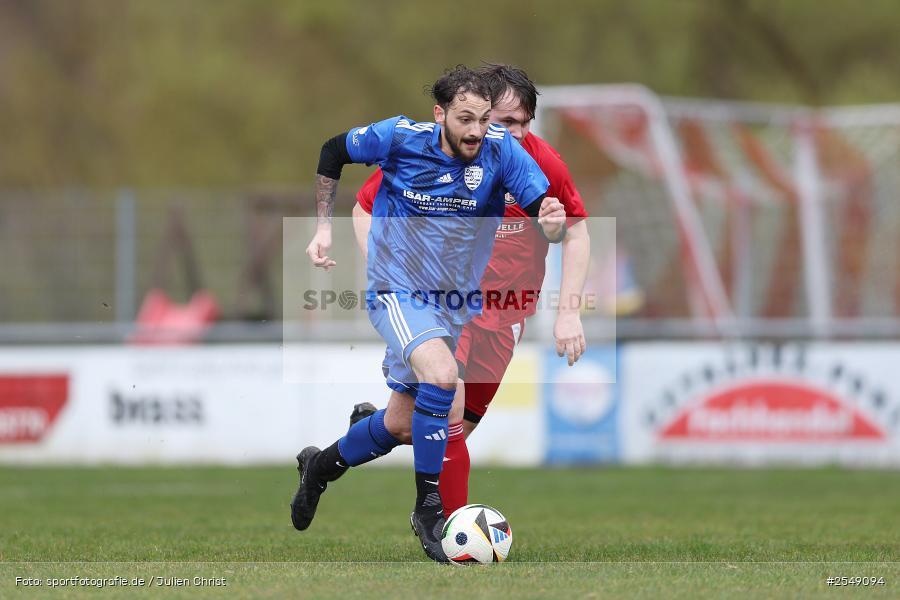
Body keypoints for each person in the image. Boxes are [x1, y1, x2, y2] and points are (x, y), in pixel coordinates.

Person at [293, 65, 567, 563]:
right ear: (440, 114)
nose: (476, 131)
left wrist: (550, 222)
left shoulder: (502, 151)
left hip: (454, 305)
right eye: (466, 118)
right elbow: (333, 151)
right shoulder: (400, 138)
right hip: (398, 292)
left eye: (485, 120)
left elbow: (541, 212)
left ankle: (320, 467)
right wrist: (323, 228)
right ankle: (429, 510)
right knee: (445, 381)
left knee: (402, 424)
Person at [351, 63, 591, 517]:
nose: (516, 134)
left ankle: (354, 442)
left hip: (508, 317)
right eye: (505, 123)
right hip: (443, 309)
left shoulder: (543, 163)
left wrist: (569, 312)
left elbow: (576, 232)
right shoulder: (431, 152)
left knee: (423, 428)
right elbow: (365, 209)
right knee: (444, 422)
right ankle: (444, 528)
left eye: (524, 123)